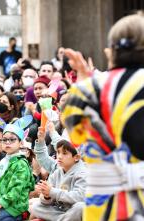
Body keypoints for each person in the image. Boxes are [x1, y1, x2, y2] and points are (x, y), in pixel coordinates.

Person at [62, 13, 144, 221]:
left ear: (110, 52)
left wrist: (83, 84)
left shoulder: (85, 91)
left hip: (103, 207)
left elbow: (76, 137)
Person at [0, 124, 35, 220]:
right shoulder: (4, 160)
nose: (8, 142)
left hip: (14, 208)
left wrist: (2, 202)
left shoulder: (21, 164)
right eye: (4, 139)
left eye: (12, 139)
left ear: (21, 143)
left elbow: (16, 188)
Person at [31, 129, 86, 221]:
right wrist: (46, 195)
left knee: (81, 207)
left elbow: (79, 197)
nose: (59, 156)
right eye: (58, 152)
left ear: (76, 157)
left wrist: (52, 192)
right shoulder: (58, 171)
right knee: (36, 207)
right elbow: (45, 202)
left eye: (64, 153)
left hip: (73, 210)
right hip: (60, 211)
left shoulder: (83, 172)